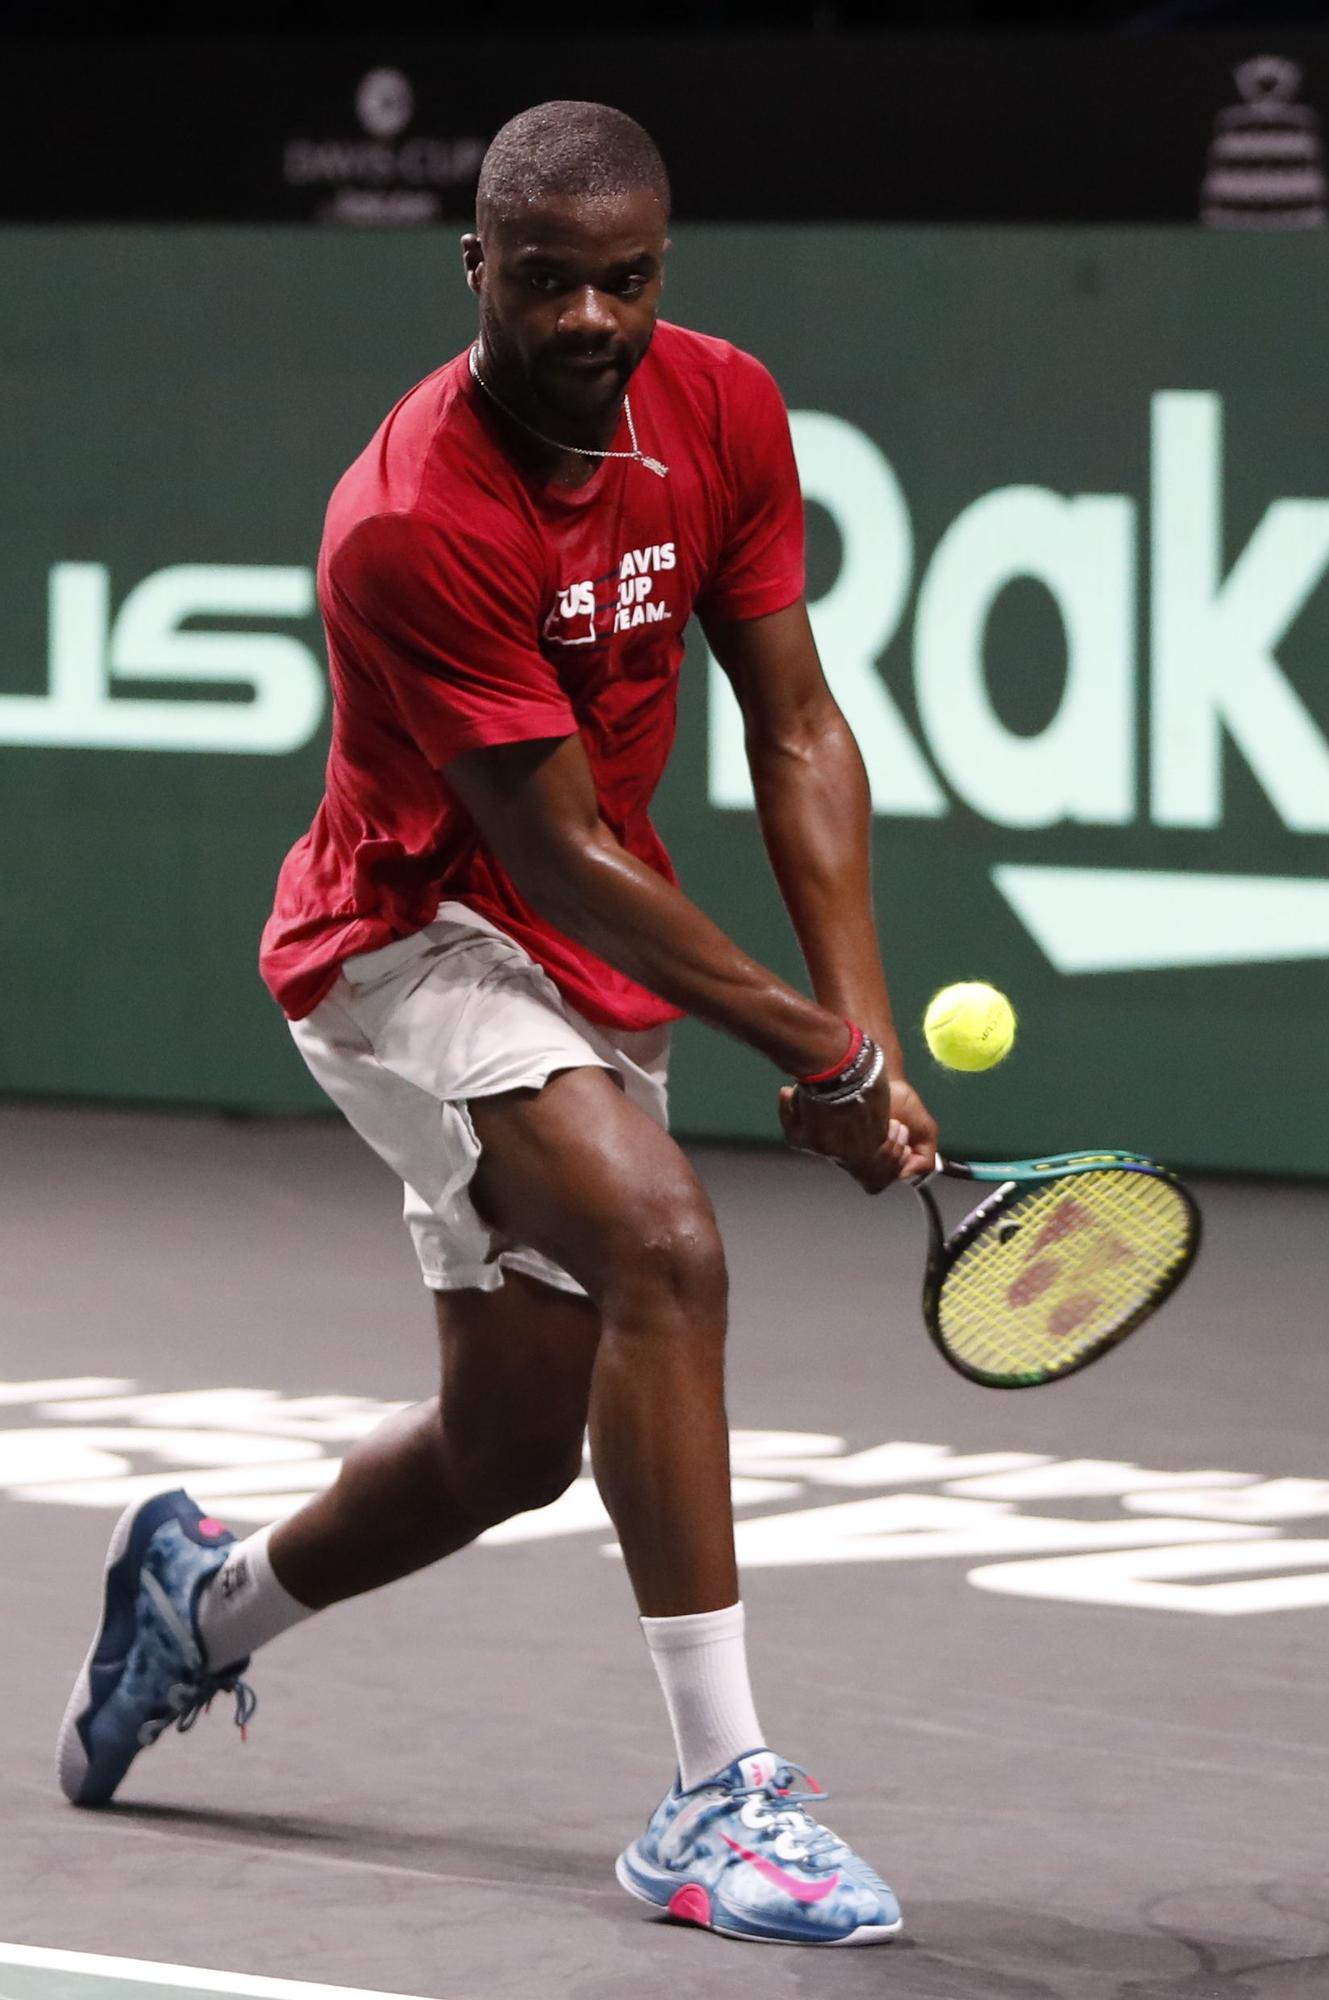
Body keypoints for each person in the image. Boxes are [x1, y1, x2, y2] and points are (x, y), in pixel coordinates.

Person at [56, 99, 937, 1948]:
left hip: (589, 962)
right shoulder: (407, 515)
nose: (589, 320)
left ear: (659, 271)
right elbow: (549, 845)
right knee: (665, 1249)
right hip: (407, 943)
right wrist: (816, 1052)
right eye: (546, 283)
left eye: (623, 281)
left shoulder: (724, 407)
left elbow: (794, 725)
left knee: (512, 1444)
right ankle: (720, 1803)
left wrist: (858, 1027)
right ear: (476, 269)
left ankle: (197, 1608)